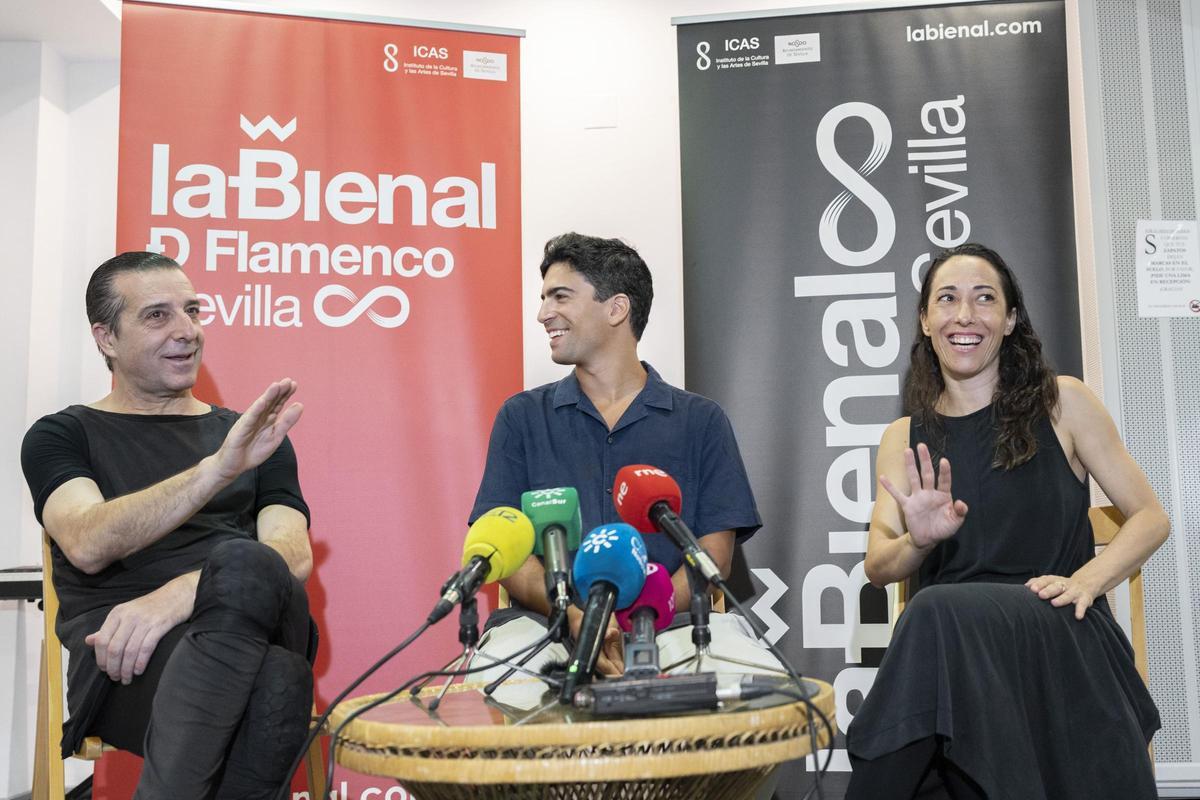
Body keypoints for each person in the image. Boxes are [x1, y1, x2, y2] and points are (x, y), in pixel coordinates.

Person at [846, 243, 1167, 799]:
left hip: (1060, 639)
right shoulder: (903, 437)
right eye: (946, 299)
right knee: (936, 612)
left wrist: (1088, 580)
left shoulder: (1063, 402)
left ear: (1011, 319)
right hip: (954, 670)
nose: (964, 315)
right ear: (925, 321)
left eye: (984, 299)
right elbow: (879, 567)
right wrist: (919, 544)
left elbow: (1150, 518)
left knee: (933, 607)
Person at [21, 251, 315, 800]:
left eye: (193, 311)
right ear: (106, 337)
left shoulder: (251, 434)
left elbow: (292, 555)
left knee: (247, 560)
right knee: (280, 681)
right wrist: (215, 471)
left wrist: (184, 594)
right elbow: (86, 541)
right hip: (125, 657)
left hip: (250, 613)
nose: (187, 331)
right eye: (157, 315)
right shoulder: (61, 435)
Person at [469, 232, 780, 688]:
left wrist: (638, 621)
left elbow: (714, 558)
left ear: (616, 309)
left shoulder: (701, 421)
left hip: (669, 629)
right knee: (499, 681)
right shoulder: (521, 418)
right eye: (543, 298)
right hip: (548, 630)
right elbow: (507, 551)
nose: (543, 314)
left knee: (756, 684)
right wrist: (576, 615)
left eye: (560, 297)